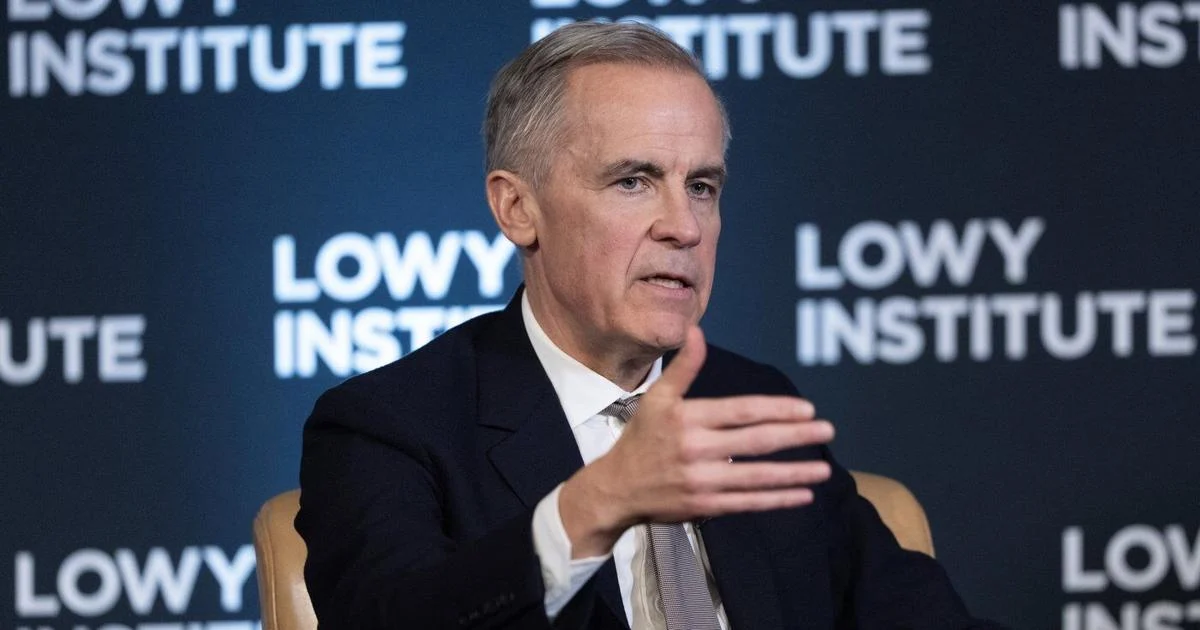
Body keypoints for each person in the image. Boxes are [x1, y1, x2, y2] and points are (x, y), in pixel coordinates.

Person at [296, 21, 999, 630]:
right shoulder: (392, 427)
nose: (684, 226)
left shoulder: (748, 404)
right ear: (518, 209)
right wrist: (597, 504)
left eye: (702, 186)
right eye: (633, 181)